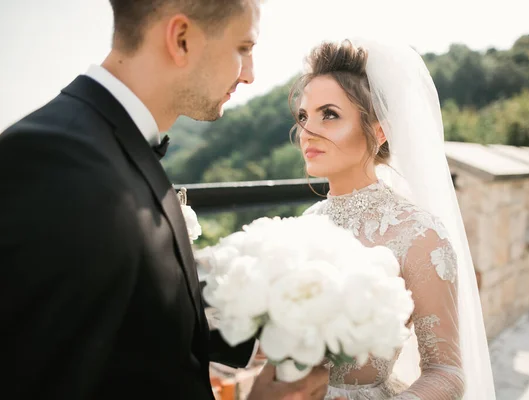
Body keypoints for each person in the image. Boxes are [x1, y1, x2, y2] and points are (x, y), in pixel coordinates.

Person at [0, 1, 332, 399]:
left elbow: (133, 322)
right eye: (243, 48)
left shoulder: (116, 141)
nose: (250, 74)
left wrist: (266, 328)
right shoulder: (54, 160)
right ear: (181, 39)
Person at [290, 40, 496, 399]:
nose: (308, 131)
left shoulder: (419, 235)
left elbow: (445, 372)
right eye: (304, 116)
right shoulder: (305, 224)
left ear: (378, 131)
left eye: (330, 114)